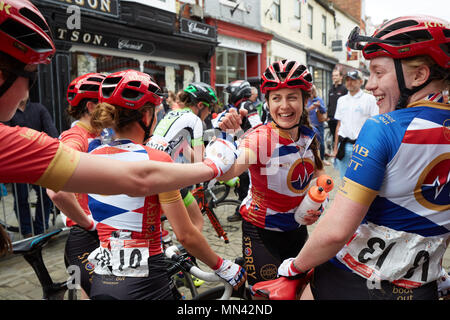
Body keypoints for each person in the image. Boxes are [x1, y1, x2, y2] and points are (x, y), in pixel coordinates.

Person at [0, 0, 242, 257]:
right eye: (31, 74)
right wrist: (214, 166)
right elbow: (139, 178)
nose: (27, 92)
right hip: (96, 235)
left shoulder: (97, 141)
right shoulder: (70, 138)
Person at [277, 15, 449, 300]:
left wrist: (294, 268)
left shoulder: (384, 128)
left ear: (419, 75)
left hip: (351, 282)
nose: (370, 84)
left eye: (379, 73)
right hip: (422, 290)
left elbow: (336, 231)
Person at [86, 69, 246, 300]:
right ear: (146, 115)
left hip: (102, 281)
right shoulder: (156, 159)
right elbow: (186, 235)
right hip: (146, 285)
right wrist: (222, 266)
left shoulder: (93, 153)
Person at [217, 60, 324, 286]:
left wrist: (317, 201)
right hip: (262, 231)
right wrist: (224, 137)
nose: (284, 105)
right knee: (267, 293)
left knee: (299, 287)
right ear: (267, 102)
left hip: (296, 228)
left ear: (305, 100)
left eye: (292, 97)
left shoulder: (309, 136)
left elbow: (319, 175)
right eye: (276, 98)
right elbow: (227, 174)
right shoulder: (260, 138)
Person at [46, 72, 105, 299]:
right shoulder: (76, 138)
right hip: (87, 235)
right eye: (106, 105)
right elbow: (57, 191)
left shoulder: (99, 134)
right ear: (91, 107)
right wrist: (88, 223)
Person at [150, 82, 220, 231]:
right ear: (201, 105)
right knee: (197, 222)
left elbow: (181, 146)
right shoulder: (195, 120)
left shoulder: (173, 114)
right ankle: (187, 252)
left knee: (158, 227)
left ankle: (166, 245)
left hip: (151, 167)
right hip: (166, 175)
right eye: (210, 108)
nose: (209, 112)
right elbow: (200, 161)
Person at [4, 92, 58, 237]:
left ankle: (40, 228)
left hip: (38, 161)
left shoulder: (39, 109)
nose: (23, 93)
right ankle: (27, 231)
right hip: (18, 163)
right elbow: (8, 138)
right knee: (21, 198)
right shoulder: (8, 112)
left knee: (46, 195)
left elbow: (52, 132)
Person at [213, 80, 260, 222]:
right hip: (243, 150)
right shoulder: (238, 106)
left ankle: (246, 210)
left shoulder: (246, 105)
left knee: (246, 181)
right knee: (243, 181)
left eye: (230, 93)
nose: (228, 96)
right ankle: (243, 209)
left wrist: (240, 137)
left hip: (248, 151)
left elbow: (257, 128)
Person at [332, 69, 378, 179]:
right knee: (344, 178)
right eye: (347, 80)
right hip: (343, 145)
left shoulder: (370, 99)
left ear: (361, 82)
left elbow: (376, 125)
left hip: (362, 146)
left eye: (353, 80)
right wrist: (335, 148)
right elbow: (339, 125)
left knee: (361, 179)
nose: (349, 82)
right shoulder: (341, 100)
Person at [306, 84, 330, 166]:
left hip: (319, 124)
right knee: (310, 143)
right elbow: (303, 111)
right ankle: (312, 160)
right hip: (309, 124)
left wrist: (320, 106)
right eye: (309, 91)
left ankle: (322, 159)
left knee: (321, 143)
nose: (310, 93)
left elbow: (324, 111)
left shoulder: (318, 99)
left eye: (312, 91)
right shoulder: (305, 100)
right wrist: (311, 108)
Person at [327, 68, 348, 149]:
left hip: (341, 119)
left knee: (340, 139)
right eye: (333, 76)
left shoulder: (344, 89)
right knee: (334, 140)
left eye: (336, 75)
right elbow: (329, 104)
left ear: (341, 77)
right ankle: (335, 154)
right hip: (331, 119)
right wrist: (328, 117)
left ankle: (340, 155)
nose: (334, 77)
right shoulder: (330, 90)